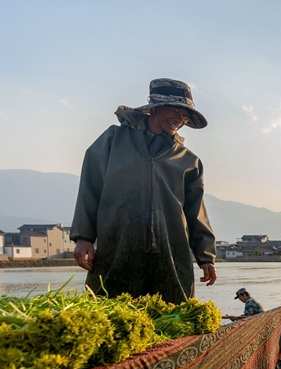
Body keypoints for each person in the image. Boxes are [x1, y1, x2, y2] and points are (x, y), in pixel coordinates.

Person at [70, 78, 217, 304]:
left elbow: (196, 212)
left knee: (173, 318)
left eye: (186, 115)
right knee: (111, 314)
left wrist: (206, 257)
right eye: (176, 110)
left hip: (171, 254)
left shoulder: (189, 161)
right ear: (155, 107)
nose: (180, 119)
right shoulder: (112, 140)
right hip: (118, 249)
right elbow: (90, 188)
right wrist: (83, 237)